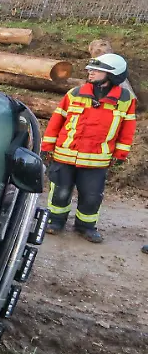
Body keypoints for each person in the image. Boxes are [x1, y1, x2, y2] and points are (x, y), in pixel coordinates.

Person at [41, 53, 136, 243]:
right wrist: (47, 146)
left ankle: (85, 226)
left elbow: (127, 129)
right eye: (91, 69)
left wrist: (121, 153)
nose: (90, 72)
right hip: (65, 155)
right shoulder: (75, 93)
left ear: (113, 74)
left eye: (96, 70)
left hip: (96, 161)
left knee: (91, 196)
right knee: (60, 192)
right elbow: (56, 121)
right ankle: (55, 221)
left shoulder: (125, 100)